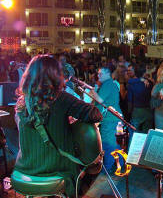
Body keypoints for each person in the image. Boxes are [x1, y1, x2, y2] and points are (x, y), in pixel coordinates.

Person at [14, 55, 102, 197]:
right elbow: (95, 114)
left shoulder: (21, 103)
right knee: (91, 171)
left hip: (24, 170)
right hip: (57, 170)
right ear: (55, 75)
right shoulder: (60, 98)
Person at [89, 67, 123, 173]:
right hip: (115, 119)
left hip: (110, 120)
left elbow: (99, 100)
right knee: (116, 144)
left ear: (108, 73)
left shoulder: (108, 84)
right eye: (98, 74)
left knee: (108, 144)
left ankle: (106, 170)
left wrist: (92, 91)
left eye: (100, 74)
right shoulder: (110, 84)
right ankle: (119, 166)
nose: (98, 76)